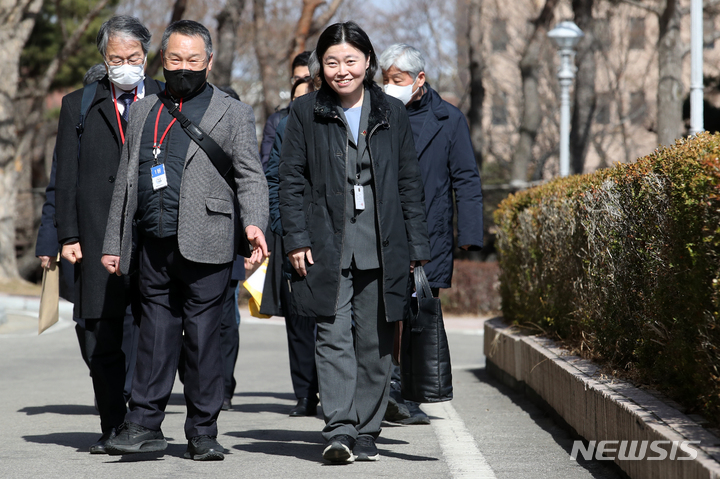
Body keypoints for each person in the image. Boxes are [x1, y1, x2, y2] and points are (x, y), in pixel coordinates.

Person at [101, 20, 268, 461]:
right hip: (153, 241)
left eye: (193, 60)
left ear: (208, 62)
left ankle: (203, 431)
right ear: (163, 60)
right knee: (154, 336)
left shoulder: (233, 112)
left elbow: (251, 176)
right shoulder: (144, 111)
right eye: (175, 59)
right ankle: (142, 424)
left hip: (208, 241)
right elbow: (126, 181)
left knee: (202, 340)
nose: (183, 68)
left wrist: (254, 224)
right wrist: (114, 243)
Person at [278, 22, 430, 463]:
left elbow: (408, 184)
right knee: (331, 333)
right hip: (326, 240)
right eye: (331, 62)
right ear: (319, 67)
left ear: (367, 62)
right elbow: (290, 179)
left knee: (377, 339)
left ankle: (367, 428)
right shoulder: (305, 111)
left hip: (383, 242)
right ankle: (340, 428)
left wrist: (417, 251)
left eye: (350, 60)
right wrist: (296, 238)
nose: (341, 70)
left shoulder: (392, 112)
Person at [54, 16, 163, 454]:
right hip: (97, 232)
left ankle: (142, 421)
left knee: (154, 327)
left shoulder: (162, 97)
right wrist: (68, 235)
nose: (124, 65)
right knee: (101, 331)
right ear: (103, 58)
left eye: (132, 58)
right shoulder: (78, 104)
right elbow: (65, 175)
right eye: (115, 58)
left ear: (146, 56)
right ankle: (111, 421)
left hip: (150, 233)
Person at [379, 43, 484, 424]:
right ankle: (387, 389)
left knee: (417, 314)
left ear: (419, 79)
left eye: (398, 79)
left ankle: (410, 392)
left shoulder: (449, 119)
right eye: (386, 80)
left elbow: (466, 179)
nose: (390, 86)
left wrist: (469, 233)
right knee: (386, 311)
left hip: (430, 233)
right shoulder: (378, 113)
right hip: (385, 229)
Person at [264, 75, 319, 417]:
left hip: (330, 235)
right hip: (294, 237)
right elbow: (273, 176)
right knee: (298, 321)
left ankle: (336, 392)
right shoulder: (283, 125)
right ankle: (304, 392)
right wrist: (283, 229)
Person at [259, 51, 311, 170]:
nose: (301, 83)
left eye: (308, 78)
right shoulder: (277, 121)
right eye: (297, 79)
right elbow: (268, 165)